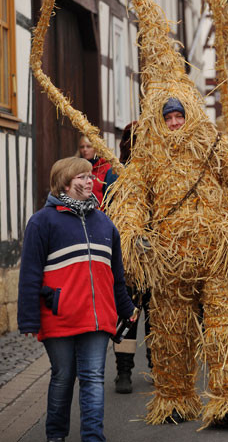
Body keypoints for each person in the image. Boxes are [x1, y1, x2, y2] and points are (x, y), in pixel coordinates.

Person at [107, 95, 228, 428]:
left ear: (190, 117)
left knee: (223, 328)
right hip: (169, 262)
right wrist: (134, 232)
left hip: (217, 257)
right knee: (170, 333)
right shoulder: (148, 157)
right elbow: (131, 201)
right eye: (167, 119)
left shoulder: (216, 146)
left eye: (178, 117)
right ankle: (174, 398)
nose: (173, 124)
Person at [17, 156, 138, 442]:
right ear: (65, 183)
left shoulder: (105, 223)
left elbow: (115, 275)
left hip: (96, 319)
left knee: (94, 378)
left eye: (89, 176)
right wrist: (28, 319)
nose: (90, 181)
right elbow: (30, 275)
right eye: (82, 177)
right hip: (58, 317)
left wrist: (126, 308)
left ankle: (93, 438)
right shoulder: (41, 222)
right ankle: (56, 436)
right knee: (62, 377)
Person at [114, 122, 152, 394]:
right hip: (129, 259)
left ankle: (157, 366)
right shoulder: (118, 176)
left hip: (156, 258)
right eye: (131, 139)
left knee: (158, 317)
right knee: (128, 314)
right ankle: (124, 371)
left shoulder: (158, 173)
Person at [78, 135, 117, 207]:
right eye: (82, 147)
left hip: (100, 212)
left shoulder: (106, 167)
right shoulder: (76, 167)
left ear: (96, 148)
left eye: (88, 146)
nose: (85, 150)